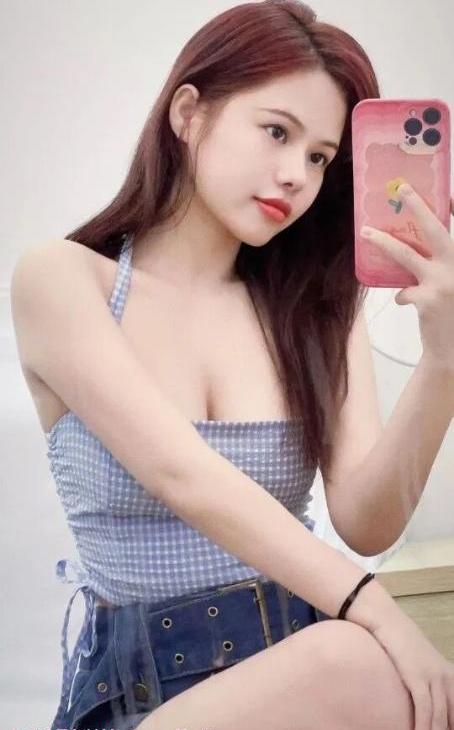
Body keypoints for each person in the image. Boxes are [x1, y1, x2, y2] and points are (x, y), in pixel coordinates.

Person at [10, 1, 454, 729]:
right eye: (277, 131)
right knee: (357, 658)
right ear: (189, 113)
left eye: (320, 157)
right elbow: (182, 474)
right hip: (143, 693)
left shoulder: (314, 310)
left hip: (308, 675)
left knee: (362, 668)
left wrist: (444, 362)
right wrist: (372, 608)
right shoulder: (62, 280)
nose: (296, 175)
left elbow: (367, 523)